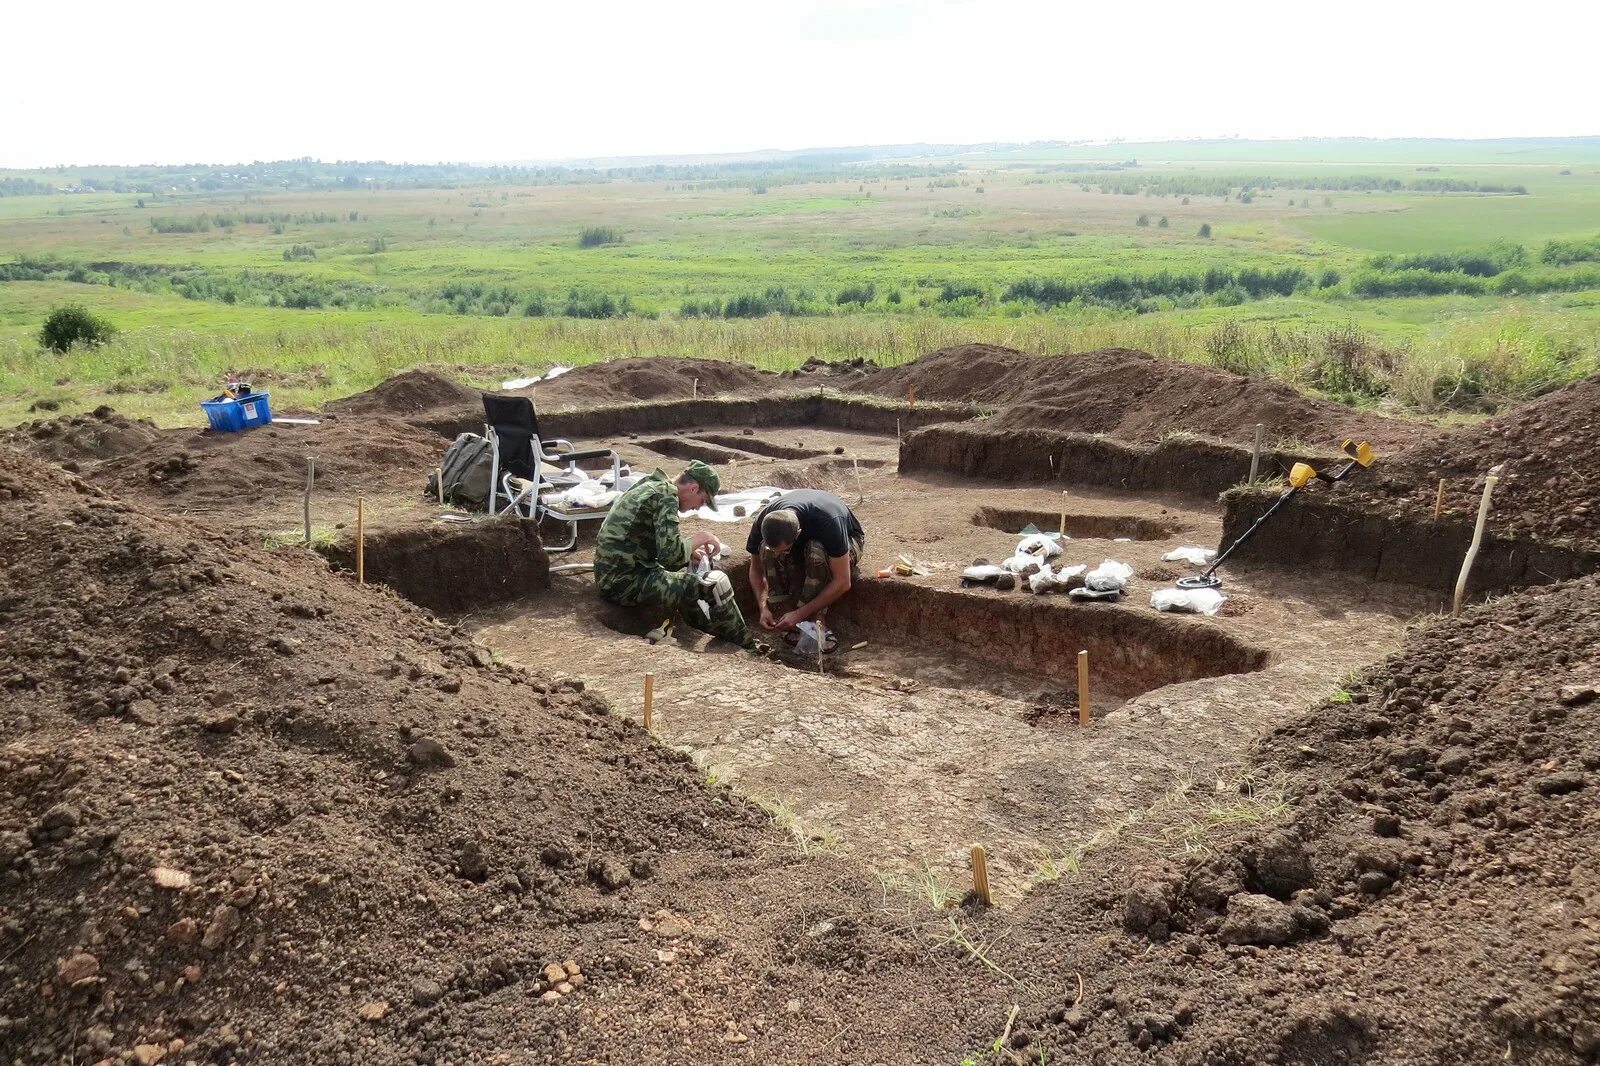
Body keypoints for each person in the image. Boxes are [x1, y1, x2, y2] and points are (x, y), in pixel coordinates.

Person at [593, 460, 752, 647]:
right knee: (713, 584)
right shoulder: (667, 496)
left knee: (686, 583)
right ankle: (748, 645)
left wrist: (688, 549)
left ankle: (721, 634)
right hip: (623, 582)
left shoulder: (653, 485)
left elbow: (653, 543)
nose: (698, 508)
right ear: (693, 488)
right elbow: (670, 557)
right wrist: (701, 538)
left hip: (614, 574)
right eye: (702, 501)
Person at [746, 488, 865, 650]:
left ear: (798, 534)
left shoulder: (829, 524)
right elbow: (756, 570)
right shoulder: (764, 521)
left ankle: (816, 619)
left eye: (783, 550)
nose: (777, 555)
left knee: (815, 550)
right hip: (804, 540)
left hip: (849, 539)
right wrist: (763, 607)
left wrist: (800, 613)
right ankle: (784, 610)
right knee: (765, 550)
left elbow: (843, 581)